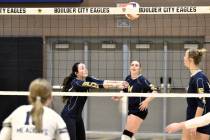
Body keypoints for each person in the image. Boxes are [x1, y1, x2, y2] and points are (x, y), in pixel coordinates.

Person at [61, 62, 127, 140]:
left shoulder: (88, 79)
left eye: (85, 68)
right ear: (76, 73)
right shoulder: (75, 82)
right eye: (82, 68)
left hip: (78, 117)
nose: (85, 69)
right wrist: (118, 85)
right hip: (69, 116)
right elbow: (96, 85)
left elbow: (102, 82)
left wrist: (121, 83)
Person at [0, 78, 70, 140]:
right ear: (50, 97)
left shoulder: (17, 112)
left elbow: (3, 137)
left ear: (29, 96)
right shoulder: (55, 117)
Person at [171, 48, 210, 140]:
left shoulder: (199, 78)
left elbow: (202, 103)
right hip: (192, 120)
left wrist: (195, 123)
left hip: (200, 123)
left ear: (191, 60)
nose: (183, 58)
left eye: (185, 55)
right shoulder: (195, 77)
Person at [113, 60, 157, 140]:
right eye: (132, 65)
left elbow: (155, 91)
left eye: (136, 65)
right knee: (131, 135)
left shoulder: (142, 80)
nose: (134, 66)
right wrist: (118, 96)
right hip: (131, 109)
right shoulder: (128, 79)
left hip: (139, 110)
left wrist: (146, 101)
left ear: (140, 69)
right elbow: (124, 91)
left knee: (125, 135)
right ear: (130, 67)